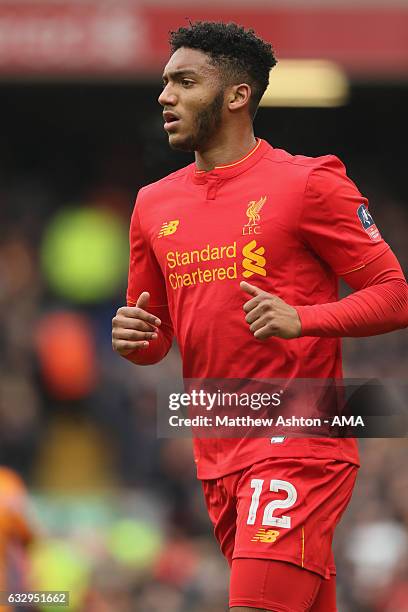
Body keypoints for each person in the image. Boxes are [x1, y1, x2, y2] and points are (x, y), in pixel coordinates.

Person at [112, 21, 407, 612]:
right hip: (217, 442)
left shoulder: (308, 183)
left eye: (185, 82)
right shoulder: (152, 204)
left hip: (299, 439)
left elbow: (395, 293)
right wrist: (136, 339)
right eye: (165, 83)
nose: (165, 96)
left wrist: (306, 318)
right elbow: (156, 338)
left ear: (237, 95)